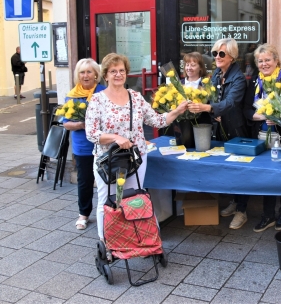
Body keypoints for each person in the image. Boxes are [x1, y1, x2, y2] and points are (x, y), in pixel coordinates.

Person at [85, 53, 188, 241]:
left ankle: (138, 240)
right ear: (105, 75)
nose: (118, 74)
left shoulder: (136, 97)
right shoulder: (97, 101)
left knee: (135, 199)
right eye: (113, 71)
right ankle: (106, 244)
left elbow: (157, 121)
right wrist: (116, 137)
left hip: (135, 158)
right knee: (107, 201)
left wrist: (177, 111)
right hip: (107, 161)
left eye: (121, 71)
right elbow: (91, 134)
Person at [188, 38, 248, 229]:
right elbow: (212, 96)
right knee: (227, 168)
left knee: (239, 169)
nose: (217, 57)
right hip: (220, 128)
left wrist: (209, 108)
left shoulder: (238, 78)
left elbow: (230, 102)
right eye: (215, 53)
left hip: (235, 129)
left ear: (232, 56)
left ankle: (242, 210)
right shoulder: (216, 74)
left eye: (221, 54)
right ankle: (234, 201)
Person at [243, 44, 281, 232]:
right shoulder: (253, 83)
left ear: (276, 61)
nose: (264, 64)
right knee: (266, 175)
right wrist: (264, 117)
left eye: (268, 60)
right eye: (260, 61)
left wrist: (279, 118)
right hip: (260, 135)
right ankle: (268, 215)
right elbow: (247, 110)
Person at [62, 59, 105, 230]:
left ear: (96, 74)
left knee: (107, 180)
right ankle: (84, 214)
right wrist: (82, 124)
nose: (85, 75)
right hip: (83, 146)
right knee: (85, 181)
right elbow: (66, 123)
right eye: (82, 72)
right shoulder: (72, 96)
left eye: (89, 72)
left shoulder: (103, 92)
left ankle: (109, 213)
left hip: (104, 144)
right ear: (77, 75)